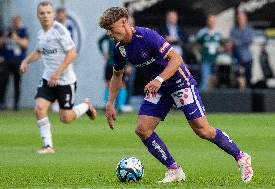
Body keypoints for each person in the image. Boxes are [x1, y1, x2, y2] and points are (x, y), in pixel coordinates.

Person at [99, 6, 253, 183]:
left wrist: (158, 79)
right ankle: (174, 170)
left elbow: (177, 59)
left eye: (111, 28)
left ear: (124, 22)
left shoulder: (146, 35)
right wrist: (110, 104)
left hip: (179, 83)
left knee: (203, 131)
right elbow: (117, 75)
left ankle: (242, 157)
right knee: (142, 129)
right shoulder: (120, 49)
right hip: (159, 88)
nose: (110, 33)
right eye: (107, 30)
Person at [20, 1, 96, 154]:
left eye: (49, 12)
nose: (45, 16)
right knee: (39, 108)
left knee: (66, 118)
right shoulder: (42, 34)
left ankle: (86, 106)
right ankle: (48, 146)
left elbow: (72, 53)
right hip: (48, 79)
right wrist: (26, 61)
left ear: (53, 14)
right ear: (38, 15)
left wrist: (58, 73)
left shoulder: (59, 30)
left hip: (65, 81)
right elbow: (39, 51)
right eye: (42, 13)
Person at [196, 15, 222, 91]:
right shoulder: (202, 32)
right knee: (205, 79)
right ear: (207, 21)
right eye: (210, 20)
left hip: (216, 60)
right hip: (205, 59)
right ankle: (202, 99)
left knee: (215, 80)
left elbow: (223, 45)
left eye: (213, 21)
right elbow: (196, 45)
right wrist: (199, 55)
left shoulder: (218, 32)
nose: (212, 22)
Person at [230, 11, 255, 89]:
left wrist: (238, 42)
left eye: (242, 18)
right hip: (237, 58)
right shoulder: (233, 30)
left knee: (248, 77)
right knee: (238, 77)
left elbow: (249, 40)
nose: (240, 19)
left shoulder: (250, 30)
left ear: (245, 18)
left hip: (248, 58)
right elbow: (232, 41)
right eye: (239, 18)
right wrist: (240, 42)